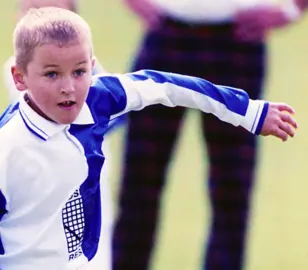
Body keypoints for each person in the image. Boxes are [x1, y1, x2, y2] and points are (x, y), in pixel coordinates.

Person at [0, 6, 297, 270]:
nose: (69, 87)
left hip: (77, 262)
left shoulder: (99, 97)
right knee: (140, 194)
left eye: (80, 71)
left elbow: (167, 86)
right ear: (20, 77)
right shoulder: (10, 145)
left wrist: (248, 112)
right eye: (52, 74)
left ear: (93, 66)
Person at [112, 0, 307, 269]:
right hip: (168, 34)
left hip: (238, 38)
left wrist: (292, 10)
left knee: (231, 188)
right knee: (139, 182)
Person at [2, 1, 124, 269]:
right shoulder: (17, 68)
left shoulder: (89, 70)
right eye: (32, 10)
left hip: (83, 187)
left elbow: (119, 111)